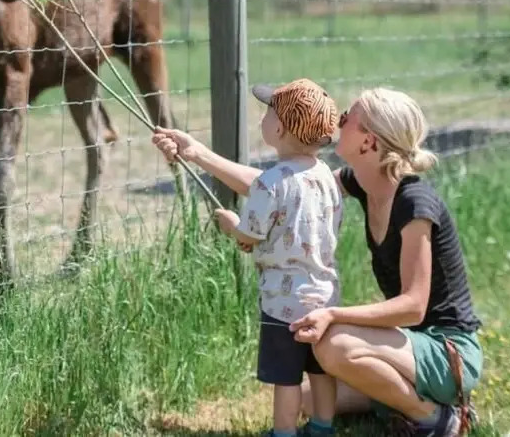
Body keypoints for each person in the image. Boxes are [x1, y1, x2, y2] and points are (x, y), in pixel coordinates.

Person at [152, 78, 344, 437]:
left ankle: (283, 432)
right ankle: (322, 426)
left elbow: (249, 236)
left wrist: (232, 226)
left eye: (268, 112)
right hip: (324, 295)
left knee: (286, 376)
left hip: (282, 302)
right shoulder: (326, 178)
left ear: (280, 129)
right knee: (320, 369)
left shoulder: (271, 183)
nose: (262, 117)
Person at [288, 86, 483, 437]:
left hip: (448, 352)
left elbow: (413, 307)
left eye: (346, 118)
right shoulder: (365, 184)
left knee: (334, 344)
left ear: (369, 142)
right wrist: (199, 154)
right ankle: (409, 402)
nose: (338, 122)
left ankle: (435, 419)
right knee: (309, 399)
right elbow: (287, 189)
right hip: (410, 345)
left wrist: (334, 314)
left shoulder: (414, 203)